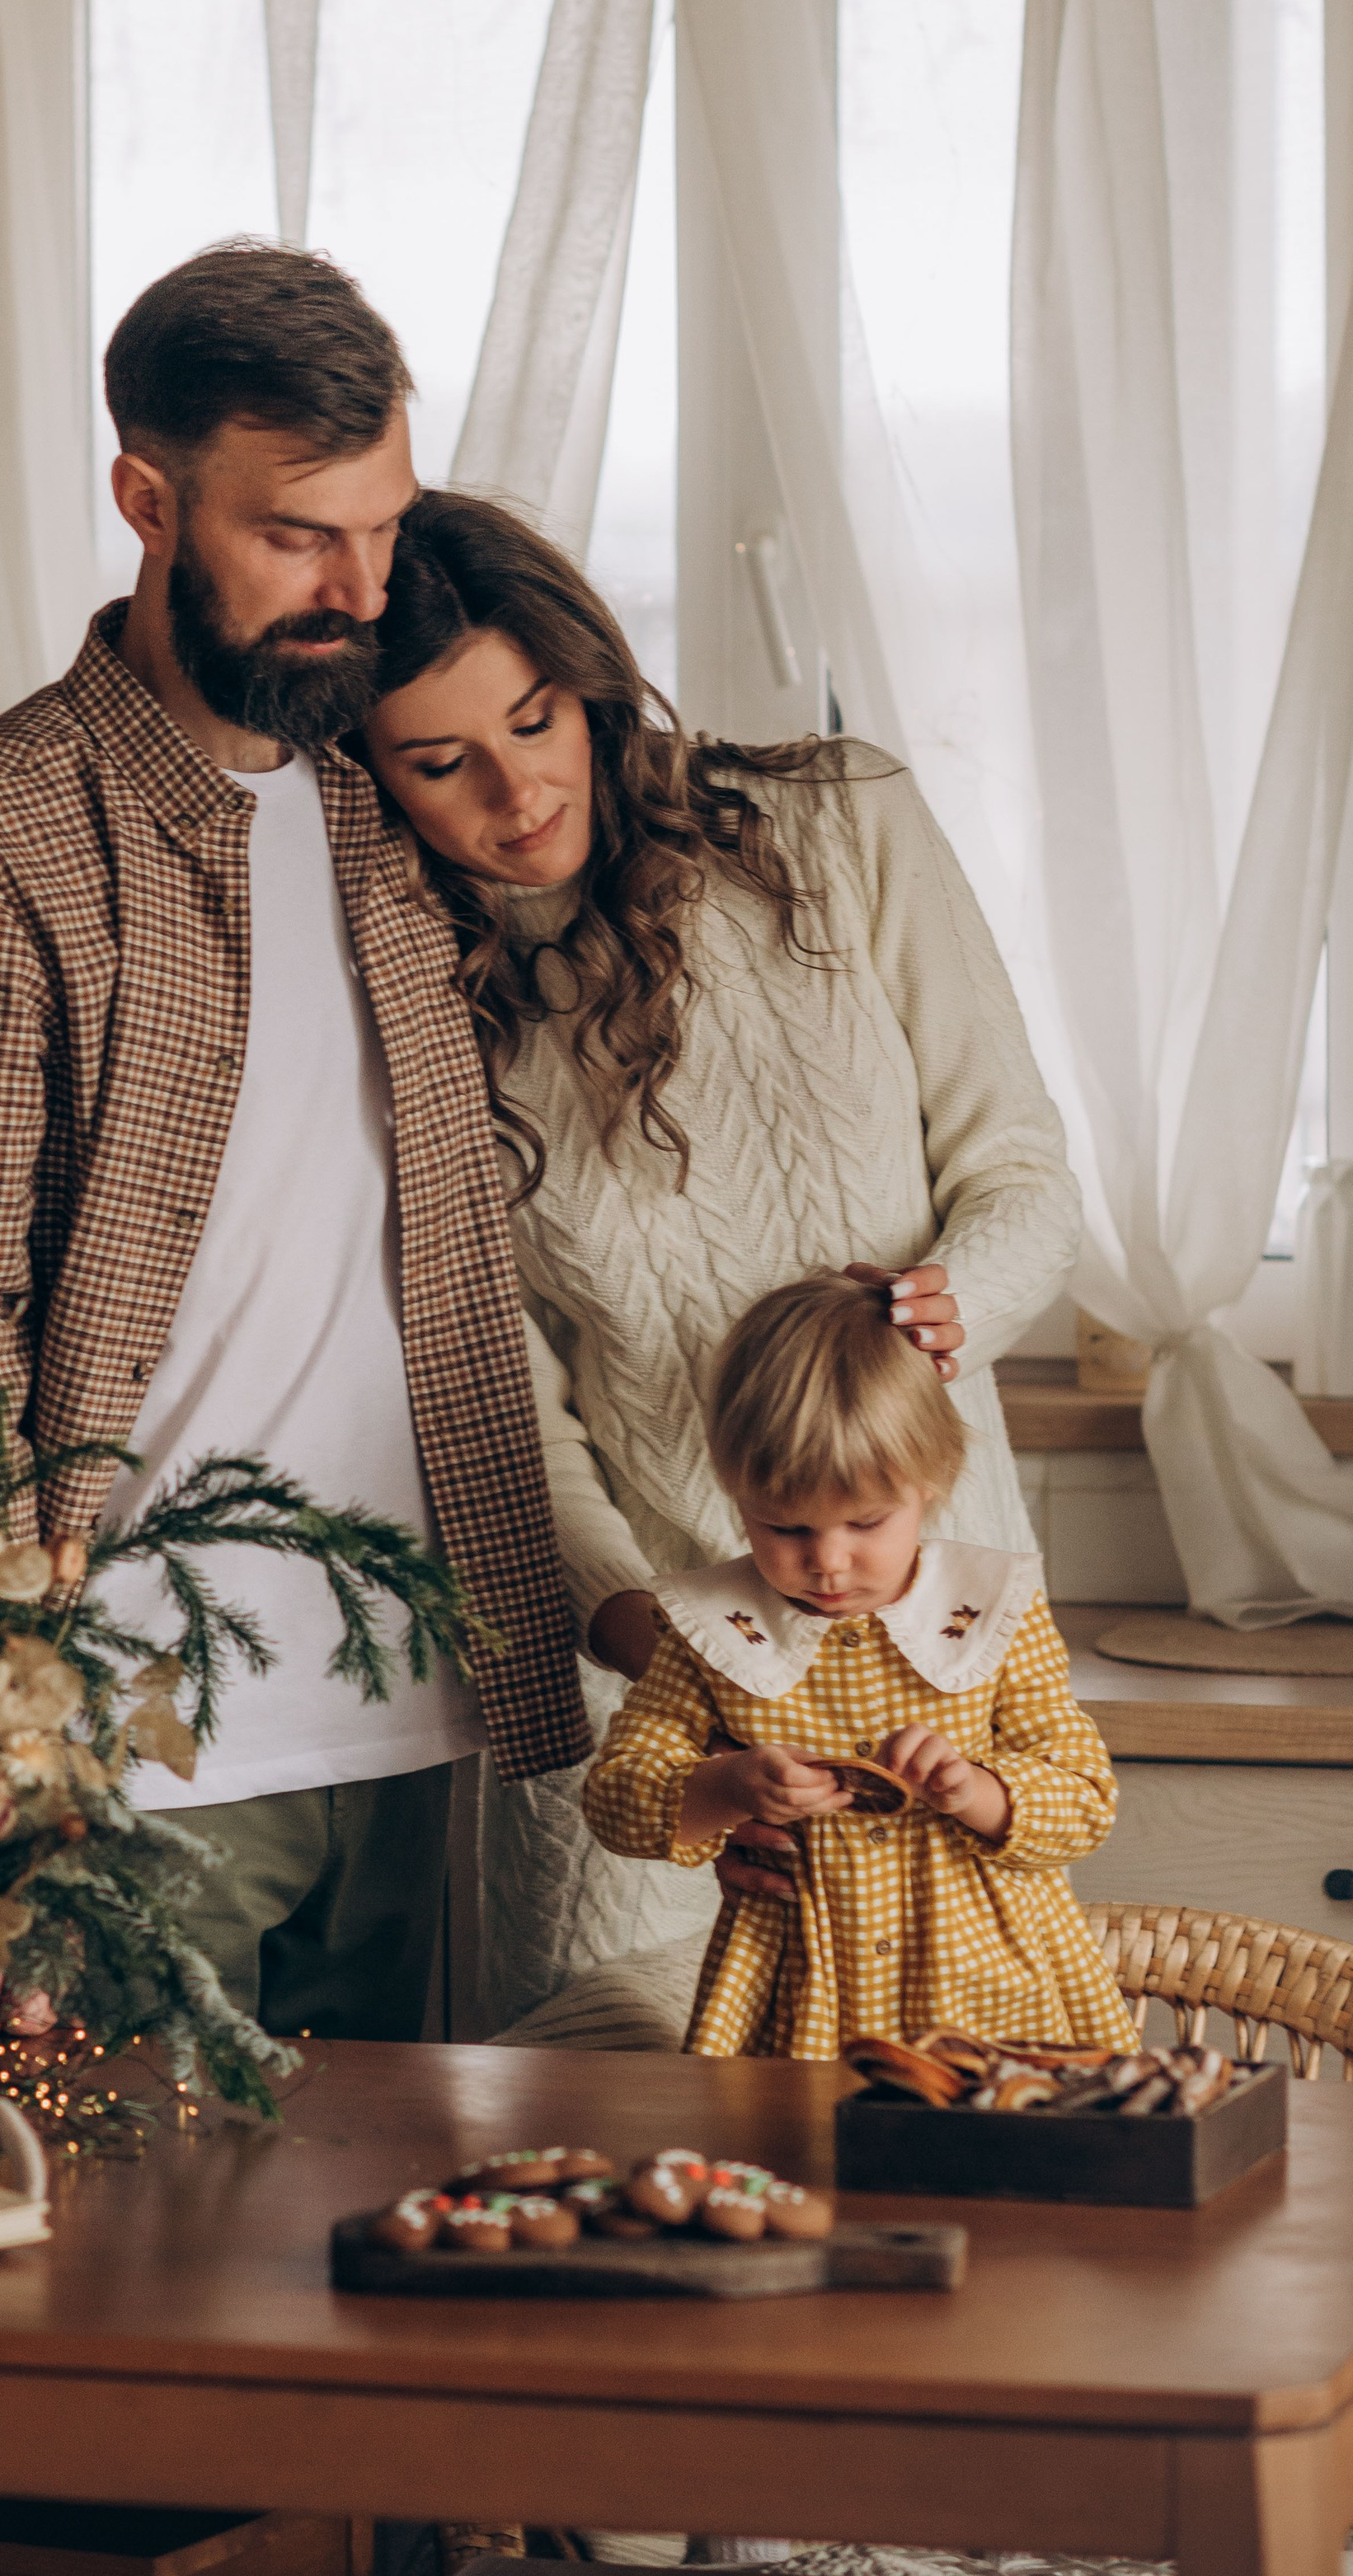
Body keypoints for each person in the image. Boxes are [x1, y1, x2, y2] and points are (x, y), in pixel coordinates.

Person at [0, 245, 588, 2044]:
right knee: (138, 2276)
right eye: (296, 537)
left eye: (382, 527)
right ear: (146, 502)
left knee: (377, 2295)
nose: (359, 588)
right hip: (132, 1734)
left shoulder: (381, 783)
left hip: (419, 1695)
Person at [359, 491, 1083, 2031]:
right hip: (653, 1688)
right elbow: (496, 1407)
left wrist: (943, 1325)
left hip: (929, 1633)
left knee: (953, 2116)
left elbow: (1017, 1171)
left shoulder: (838, 822)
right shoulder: (410, 989)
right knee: (621, 2129)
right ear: (370, 776)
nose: (517, 788)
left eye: (537, 717)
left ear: (593, 678)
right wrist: (653, 1637)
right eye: (440, 762)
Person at [582, 1273, 1135, 2055]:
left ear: (932, 1482)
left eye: (867, 1522)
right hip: (797, 2001)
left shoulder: (992, 1607)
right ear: (734, 1492)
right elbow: (614, 1799)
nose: (829, 1563)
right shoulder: (708, 1628)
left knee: (1011, 2164)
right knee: (794, 2164)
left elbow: (1085, 1802)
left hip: (989, 1996)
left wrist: (973, 1789)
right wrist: (725, 1787)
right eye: (785, 1527)